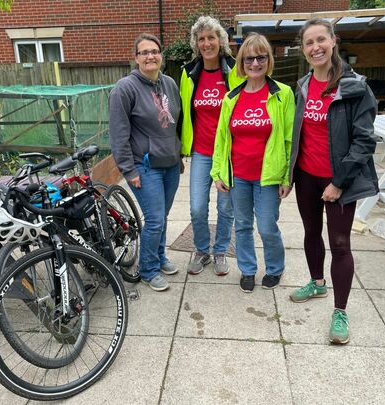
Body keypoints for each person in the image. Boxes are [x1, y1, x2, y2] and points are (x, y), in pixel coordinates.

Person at [288, 19, 378, 344]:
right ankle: (317, 282)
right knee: (312, 233)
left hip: (340, 180)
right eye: (309, 42)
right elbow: (296, 136)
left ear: (334, 41)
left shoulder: (355, 87)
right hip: (306, 176)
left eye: (321, 39)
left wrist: (338, 181)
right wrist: (289, 176)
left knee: (340, 244)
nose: (316, 47)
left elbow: (365, 141)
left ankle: (340, 311)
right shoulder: (302, 86)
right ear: (303, 49)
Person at [211, 32, 295, 293]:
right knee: (244, 225)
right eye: (249, 58)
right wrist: (217, 173)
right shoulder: (231, 98)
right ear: (241, 62)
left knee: (268, 226)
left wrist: (287, 177)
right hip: (239, 176)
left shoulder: (283, 94)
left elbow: (290, 140)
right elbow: (221, 139)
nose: (255, 63)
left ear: (268, 60)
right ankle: (248, 269)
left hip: (269, 176)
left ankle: (275, 268)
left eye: (261, 57)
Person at [109, 33, 181, 292]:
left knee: (163, 217)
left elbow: (176, 124)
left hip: (171, 165)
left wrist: (178, 153)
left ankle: (160, 257)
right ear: (136, 57)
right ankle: (148, 269)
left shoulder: (170, 84)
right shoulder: (125, 88)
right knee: (154, 220)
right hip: (145, 167)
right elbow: (118, 135)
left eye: (155, 51)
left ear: (161, 55)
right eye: (144, 52)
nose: (150, 56)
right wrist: (129, 170)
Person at [180, 16, 244, 277]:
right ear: (196, 43)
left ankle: (220, 252)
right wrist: (180, 148)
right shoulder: (188, 72)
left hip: (228, 154)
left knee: (225, 207)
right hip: (201, 152)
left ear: (222, 41)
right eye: (201, 38)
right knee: (197, 207)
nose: (206, 43)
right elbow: (182, 112)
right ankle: (201, 249)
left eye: (211, 37)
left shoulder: (235, 70)